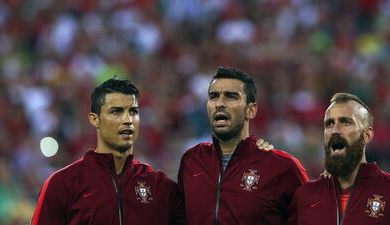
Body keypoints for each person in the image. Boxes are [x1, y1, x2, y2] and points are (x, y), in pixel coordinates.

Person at [31, 78, 186, 225]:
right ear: (94, 119)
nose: (127, 120)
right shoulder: (62, 184)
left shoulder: (161, 187)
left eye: (133, 112)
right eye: (116, 112)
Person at [178, 67, 309, 225]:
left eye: (231, 97)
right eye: (213, 97)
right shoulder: (191, 161)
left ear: (251, 110)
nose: (220, 103)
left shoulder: (283, 168)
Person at [288, 93, 390, 225]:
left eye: (345, 122)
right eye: (329, 124)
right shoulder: (305, 196)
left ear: (367, 135)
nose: (335, 130)